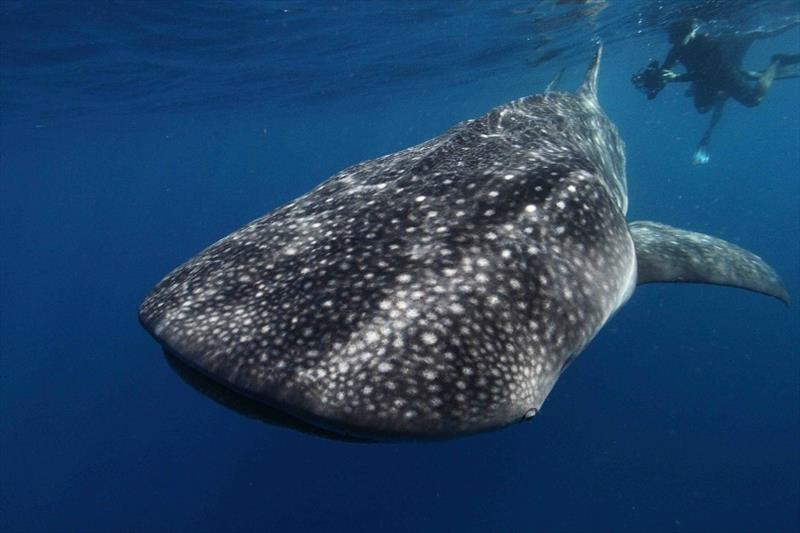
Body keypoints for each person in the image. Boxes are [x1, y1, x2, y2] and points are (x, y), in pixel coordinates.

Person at [633, 17, 800, 164]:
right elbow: (667, 70)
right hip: (704, 80)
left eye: (677, 37)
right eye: (672, 38)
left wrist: (677, 78)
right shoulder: (677, 48)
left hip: (725, 75)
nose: (673, 41)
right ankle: (744, 78)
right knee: (702, 108)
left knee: (754, 100)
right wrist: (655, 81)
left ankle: (776, 62)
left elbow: (707, 72)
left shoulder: (707, 43)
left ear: (690, 32)